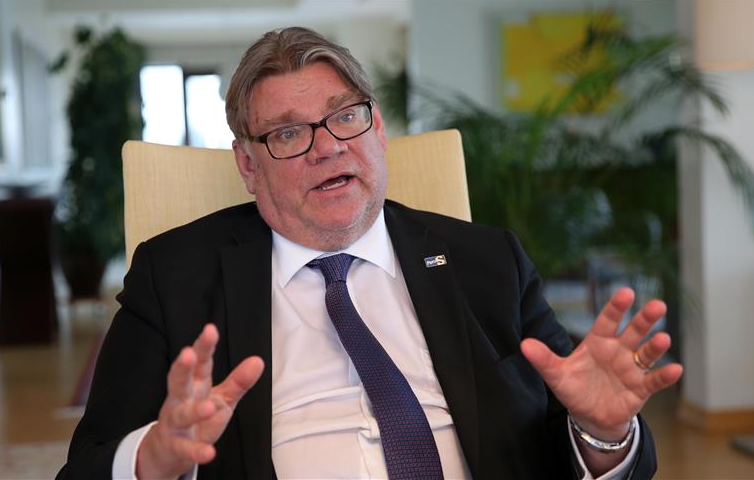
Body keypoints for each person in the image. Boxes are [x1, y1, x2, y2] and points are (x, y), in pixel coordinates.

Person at [58, 27, 682, 480]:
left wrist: (602, 432)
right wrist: (153, 459)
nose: (327, 147)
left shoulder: (488, 261)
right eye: (288, 133)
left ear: (377, 129)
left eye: (345, 117)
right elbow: (87, 466)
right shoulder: (174, 276)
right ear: (248, 165)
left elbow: (574, 442)